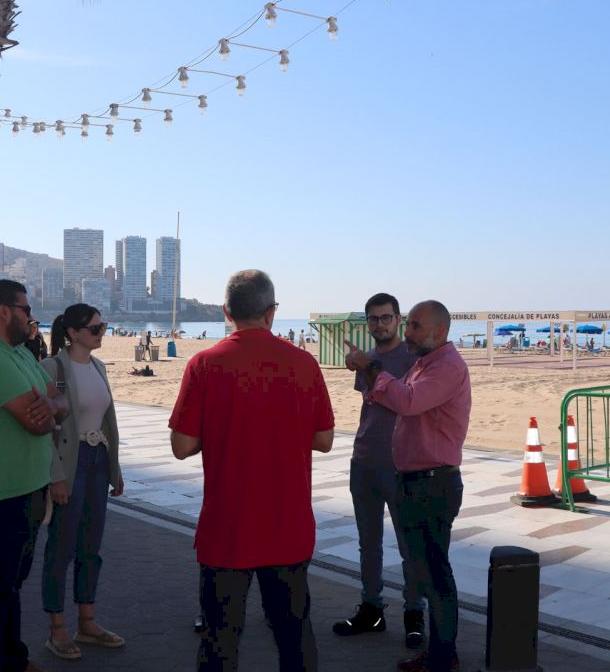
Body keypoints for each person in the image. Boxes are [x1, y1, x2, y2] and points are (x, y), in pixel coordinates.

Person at [170, 269, 334, 672]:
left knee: (220, 640)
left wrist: (223, 431)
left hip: (227, 527)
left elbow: (182, 446)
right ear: (271, 312)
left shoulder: (204, 364)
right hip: (288, 526)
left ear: (227, 312)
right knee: (294, 637)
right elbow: (324, 438)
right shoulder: (303, 363)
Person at [345, 300, 471, 672]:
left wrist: (372, 368)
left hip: (433, 484)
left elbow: (409, 401)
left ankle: (442, 656)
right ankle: (437, 653)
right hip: (414, 480)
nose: (408, 333)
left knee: (434, 576)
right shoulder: (424, 362)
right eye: (410, 325)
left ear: (440, 331)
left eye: (415, 326)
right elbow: (388, 395)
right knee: (426, 570)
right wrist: (373, 374)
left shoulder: (447, 366)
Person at [0, 280, 66, 672]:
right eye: (26, 309)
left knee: (11, 582)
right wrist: (51, 411)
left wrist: (51, 405)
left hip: (28, 486)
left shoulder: (18, 351)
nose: (30, 316)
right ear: (4, 311)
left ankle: (12, 658)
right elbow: (37, 422)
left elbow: (59, 399)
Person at [335, 294, 426, 648]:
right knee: (368, 543)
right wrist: (364, 364)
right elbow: (371, 401)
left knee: (409, 546)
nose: (379, 324)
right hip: (364, 460)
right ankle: (371, 609)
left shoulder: (412, 359)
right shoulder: (367, 359)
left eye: (386, 318)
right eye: (373, 319)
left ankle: (414, 614)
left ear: (398, 319)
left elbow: (405, 402)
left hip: (401, 464)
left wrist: (367, 365)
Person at [39, 304, 125, 660]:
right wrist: (55, 476)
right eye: (94, 328)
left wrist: (114, 468)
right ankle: (57, 627)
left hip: (97, 461)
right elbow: (45, 430)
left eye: (103, 327)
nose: (101, 333)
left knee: (91, 545)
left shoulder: (98, 366)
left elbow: (107, 423)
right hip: (70, 463)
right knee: (61, 547)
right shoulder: (52, 368)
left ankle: (87, 621)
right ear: (73, 333)